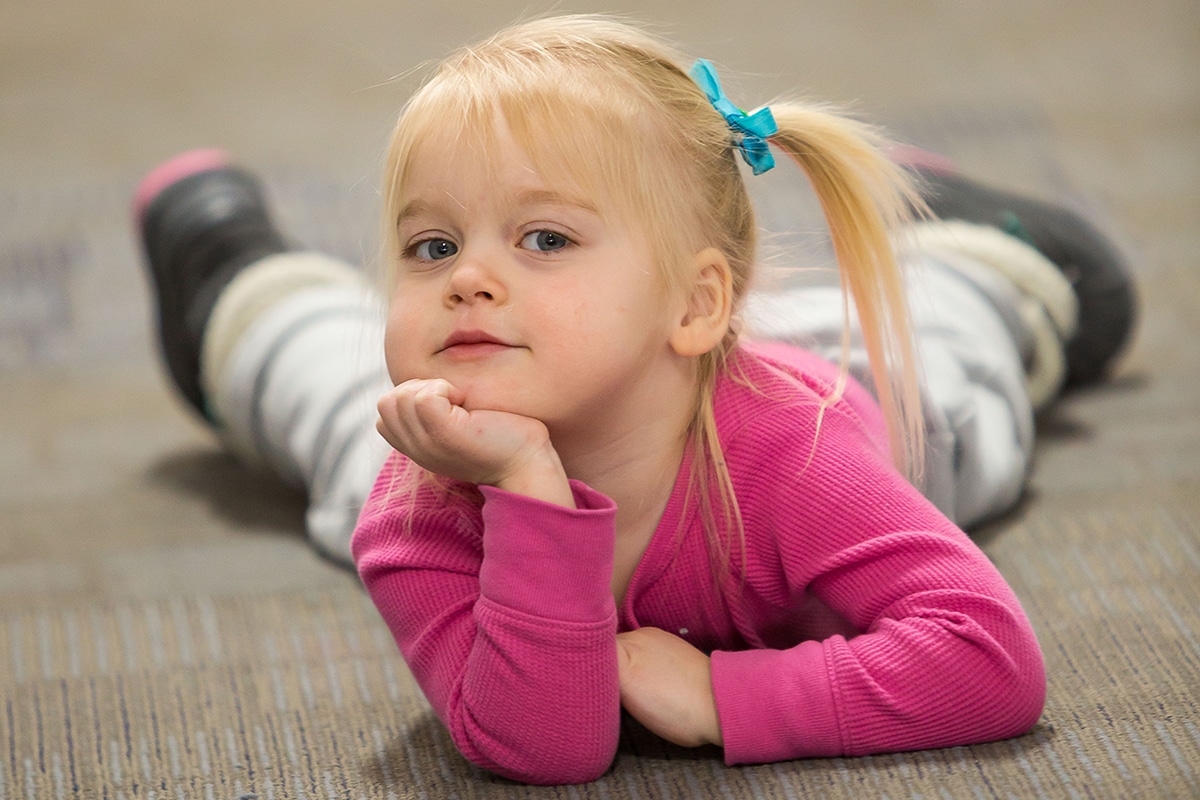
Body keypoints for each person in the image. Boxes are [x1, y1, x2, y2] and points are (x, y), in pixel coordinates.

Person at [134, 15, 1135, 786]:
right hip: (536, 416)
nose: (467, 278)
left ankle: (991, 250)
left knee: (948, 375)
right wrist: (526, 483)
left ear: (698, 303)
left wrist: (724, 692)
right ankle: (239, 284)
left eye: (545, 239)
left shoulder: (800, 456)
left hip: (841, 389)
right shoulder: (417, 499)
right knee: (339, 419)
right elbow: (542, 746)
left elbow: (990, 658)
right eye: (430, 246)